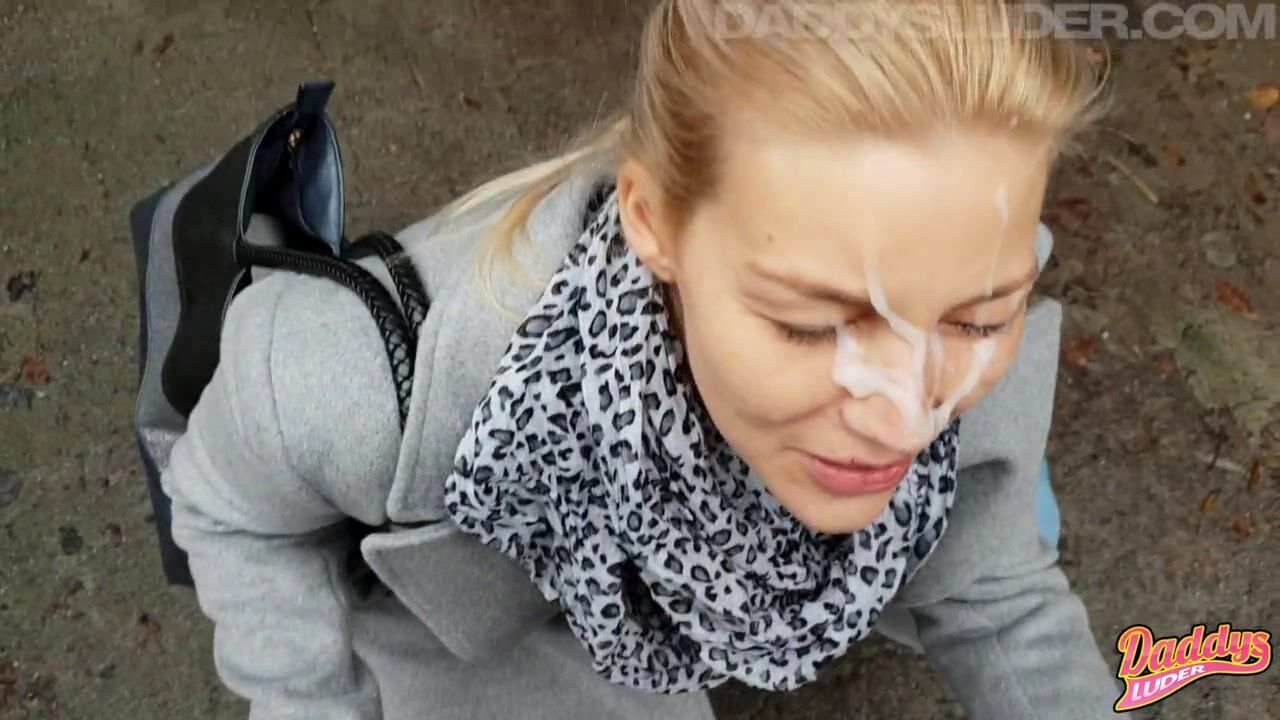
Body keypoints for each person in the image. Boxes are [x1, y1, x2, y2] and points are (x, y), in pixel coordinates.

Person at [163, 1, 1121, 718]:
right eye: (808, 325)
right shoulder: (353, 384)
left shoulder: (946, 284)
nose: (908, 417)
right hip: (490, 617)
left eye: (979, 321)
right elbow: (230, 508)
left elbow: (992, 589)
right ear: (653, 223)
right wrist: (309, 702)